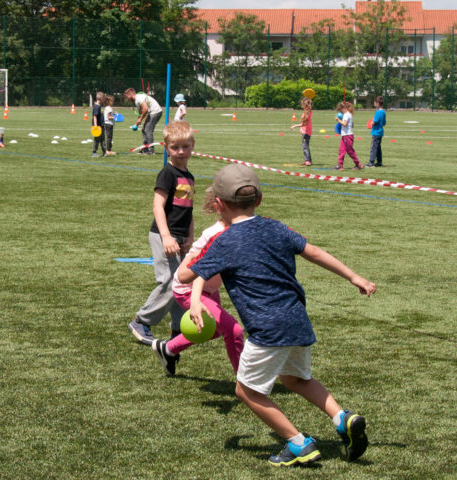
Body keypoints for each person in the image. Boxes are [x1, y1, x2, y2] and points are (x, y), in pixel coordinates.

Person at [179, 163, 375, 467]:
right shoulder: (276, 227)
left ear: (218, 204)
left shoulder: (223, 241)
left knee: (245, 391)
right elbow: (315, 252)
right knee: (296, 379)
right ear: (258, 200)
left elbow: (186, 274)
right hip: (297, 320)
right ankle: (342, 418)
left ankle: (298, 444)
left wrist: (197, 256)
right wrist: (355, 277)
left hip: (267, 329)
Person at [151, 187, 244, 376]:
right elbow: (193, 270)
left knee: (215, 330)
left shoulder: (242, 229)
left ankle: (168, 349)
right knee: (233, 331)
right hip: (188, 288)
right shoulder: (216, 234)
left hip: (208, 289)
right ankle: (247, 384)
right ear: (220, 207)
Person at [128, 121, 195, 345]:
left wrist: (190, 237)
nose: (181, 151)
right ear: (167, 148)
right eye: (175, 147)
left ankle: (177, 329)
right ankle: (142, 320)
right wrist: (166, 236)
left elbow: (189, 210)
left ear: (192, 146)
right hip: (163, 235)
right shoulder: (168, 173)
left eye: (185, 146)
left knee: (182, 282)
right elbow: (158, 206)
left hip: (180, 237)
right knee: (169, 281)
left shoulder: (189, 176)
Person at [124, 87, 163, 154]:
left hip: (155, 112)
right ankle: (145, 149)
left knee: (148, 130)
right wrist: (138, 121)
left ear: (130, 94)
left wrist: (140, 119)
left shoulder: (139, 98)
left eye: (126, 96)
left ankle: (151, 150)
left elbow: (145, 109)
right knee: (144, 130)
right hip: (152, 112)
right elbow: (140, 111)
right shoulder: (136, 100)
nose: (126, 98)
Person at [334, 101, 363, 171]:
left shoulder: (346, 115)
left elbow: (344, 124)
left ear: (343, 108)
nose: (340, 111)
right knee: (341, 150)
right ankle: (340, 165)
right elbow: (352, 125)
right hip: (345, 135)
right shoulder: (349, 114)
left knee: (350, 151)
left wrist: (338, 120)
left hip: (347, 136)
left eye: (340, 109)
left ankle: (358, 164)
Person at [290, 97, 313, 166]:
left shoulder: (305, 114)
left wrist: (294, 126)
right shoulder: (309, 112)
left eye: (302, 104)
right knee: (305, 146)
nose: (301, 105)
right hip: (307, 131)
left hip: (306, 132)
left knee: (305, 146)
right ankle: (307, 160)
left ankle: (307, 161)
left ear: (304, 105)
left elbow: (303, 124)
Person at [366, 96, 386, 167]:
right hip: (380, 132)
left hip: (376, 132)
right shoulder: (383, 112)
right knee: (378, 148)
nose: (374, 103)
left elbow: (374, 122)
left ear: (377, 103)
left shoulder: (377, 112)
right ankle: (379, 162)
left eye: (375, 102)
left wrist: (370, 123)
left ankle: (371, 162)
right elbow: (384, 123)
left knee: (374, 147)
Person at [92, 91, 106, 157]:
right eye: (103, 98)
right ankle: (94, 152)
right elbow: (94, 116)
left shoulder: (99, 106)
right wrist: (95, 126)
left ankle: (104, 152)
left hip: (101, 126)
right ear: (101, 98)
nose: (104, 100)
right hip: (97, 127)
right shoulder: (96, 106)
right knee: (97, 140)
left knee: (102, 139)